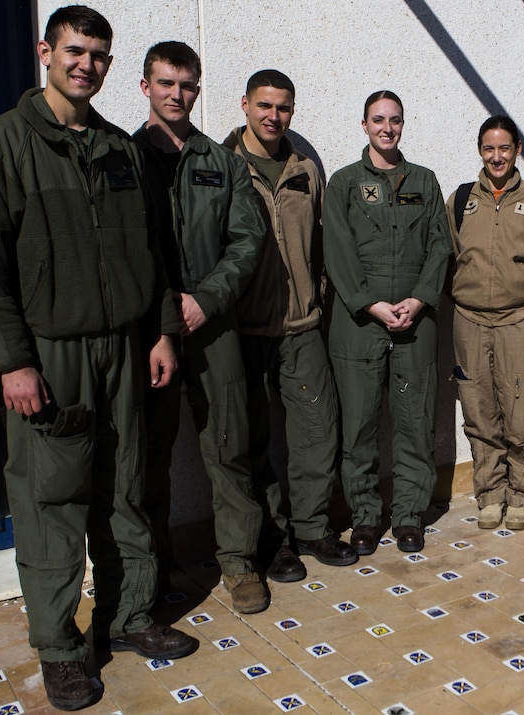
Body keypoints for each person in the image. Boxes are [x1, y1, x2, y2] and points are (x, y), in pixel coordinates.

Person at [0, 7, 198, 711]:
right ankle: (61, 648)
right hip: (50, 356)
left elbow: (153, 251)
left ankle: (128, 616)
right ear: (45, 52)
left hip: (123, 347)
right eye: (74, 50)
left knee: (124, 489)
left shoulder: (120, 149)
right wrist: (12, 361)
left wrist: (159, 332)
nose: (85, 63)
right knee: (52, 501)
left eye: (97, 54)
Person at [134, 42, 270, 612]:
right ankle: (153, 571)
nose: (177, 94)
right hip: (147, 334)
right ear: (146, 86)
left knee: (229, 448)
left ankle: (238, 564)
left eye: (187, 84)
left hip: (212, 330)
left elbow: (248, 240)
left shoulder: (222, 162)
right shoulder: (123, 157)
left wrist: (206, 300)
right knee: (145, 459)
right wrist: (165, 311)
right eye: (166, 83)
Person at [224, 69, 357, 581]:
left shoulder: (305, 166)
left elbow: (323, 241)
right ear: (245, 105)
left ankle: (312, 527)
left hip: (301, 325)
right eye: (264, 106)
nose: (273, 116)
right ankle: (273, 539)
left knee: (316, 433)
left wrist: (320, 298)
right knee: (253, 441)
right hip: (244, 330)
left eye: (282, 108)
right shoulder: (223, 163)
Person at [323, 91, 451, 554]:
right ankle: (364, 516)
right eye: (378, 120)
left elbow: (441, 246)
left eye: (395, 120)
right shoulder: (344, 183)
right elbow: (336, 252)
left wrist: (419, 300)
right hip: (359, 322)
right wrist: (371, 304)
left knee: (415, 420)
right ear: (364, 125)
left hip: (416, 319)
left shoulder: (425, 181)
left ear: (403, 125)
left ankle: (410, 514)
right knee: (358, 425)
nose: (387, 128)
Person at [446, 115, 524, 531]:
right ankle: (490, 492)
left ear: (517, 150)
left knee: (522, 411)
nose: (496, 157)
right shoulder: (461, 200)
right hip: (470, 321)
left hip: (521, 320)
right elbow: (450, 258)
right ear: (480, 150)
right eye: (488, 148)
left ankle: (523, 493)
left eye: (504, 148)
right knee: (479, 410)